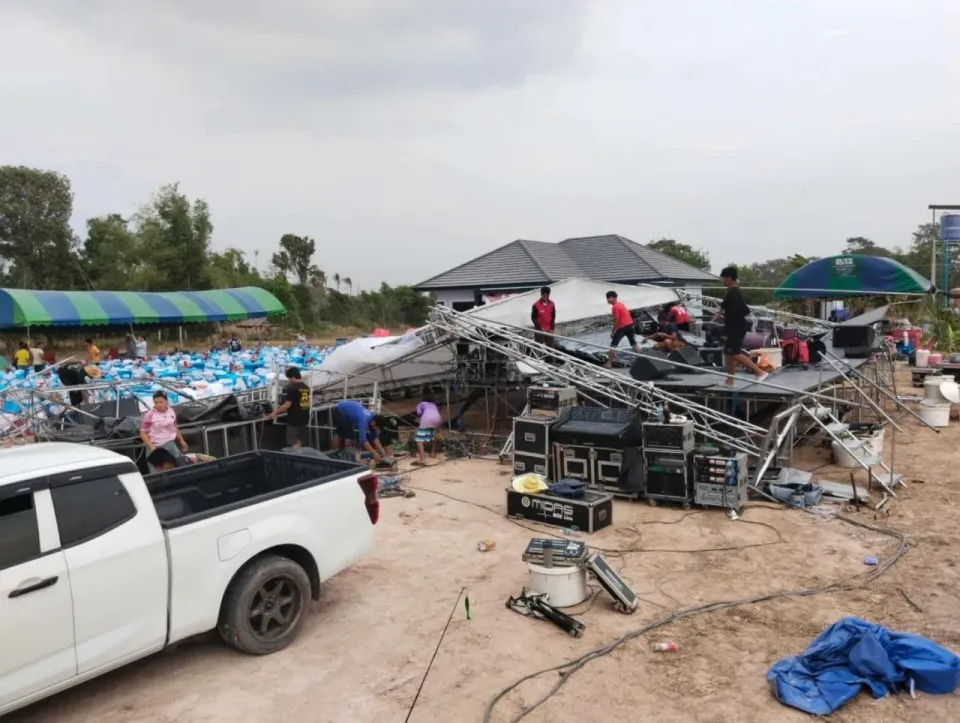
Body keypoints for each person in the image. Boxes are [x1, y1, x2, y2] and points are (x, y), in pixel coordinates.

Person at [715, 267, 767, 387]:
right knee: (728, 353)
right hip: (736, 327)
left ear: (728, 278)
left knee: (734, 353)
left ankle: (760, 372)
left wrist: (726, 333)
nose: (722, 280)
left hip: (735, 328)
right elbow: (725, 305)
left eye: (723, 278)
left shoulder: (734, 294)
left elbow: (736, 314)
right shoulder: (731, 291)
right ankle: (730, 381)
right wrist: (719, 312)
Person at [140, 391, 188, 472]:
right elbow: (142, 433)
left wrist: (181, 440)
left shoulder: (171, 411)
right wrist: (151, 446)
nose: (158, 404)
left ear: (166, 401)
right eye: (156, 402)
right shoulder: (150, 415)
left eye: (161, 402)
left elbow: (174, 427)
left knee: (176, 468)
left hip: (170, 444)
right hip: (155, 446)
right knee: (156, 471)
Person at [332, 399, 387, 465]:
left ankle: (344, 456)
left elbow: (374, 438)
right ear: (373, 423)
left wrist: (383, 452)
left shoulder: (372, 419)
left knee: (342, 433)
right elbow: (363, 440)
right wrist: (374, 453)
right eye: (377, 427)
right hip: (340, 410)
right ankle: (344, 459)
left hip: (347, 410)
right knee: (348, 437)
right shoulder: (363, 420)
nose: (376, 429)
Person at [267, 366, 310, 448]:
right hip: (304, 419)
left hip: (294, 420)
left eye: (289, 378)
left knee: (293, 442)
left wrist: (274, 413)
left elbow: (287, 404)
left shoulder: (292, 388)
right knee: (300, 441)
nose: (289, 381)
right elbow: (306, 403)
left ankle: (295, 458)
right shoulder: (306, 387)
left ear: (293, 377)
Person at [605, 291, 641, 368]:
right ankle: (641, 360)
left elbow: (616, 320)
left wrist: (613, 331)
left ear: (611, 297)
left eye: (608, 298)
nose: (607, 300)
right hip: (630, 325)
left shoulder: (615, 307)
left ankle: (609, 363)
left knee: (613, 345)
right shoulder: (621, 304)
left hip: (622, 327)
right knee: (633, 343)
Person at [411, 396, 442, 466]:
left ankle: (423, 459)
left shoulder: (421, 404)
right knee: (433, 434)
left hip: (427, 418)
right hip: (438, 418)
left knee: (419, 440)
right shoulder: (434, 405)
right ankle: (433, 453)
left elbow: (419, 413)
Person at [146, 447, 215, 471]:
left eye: (157, 467)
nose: (157, 470)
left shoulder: (185, 467)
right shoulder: (176, 465)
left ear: (167, 463)